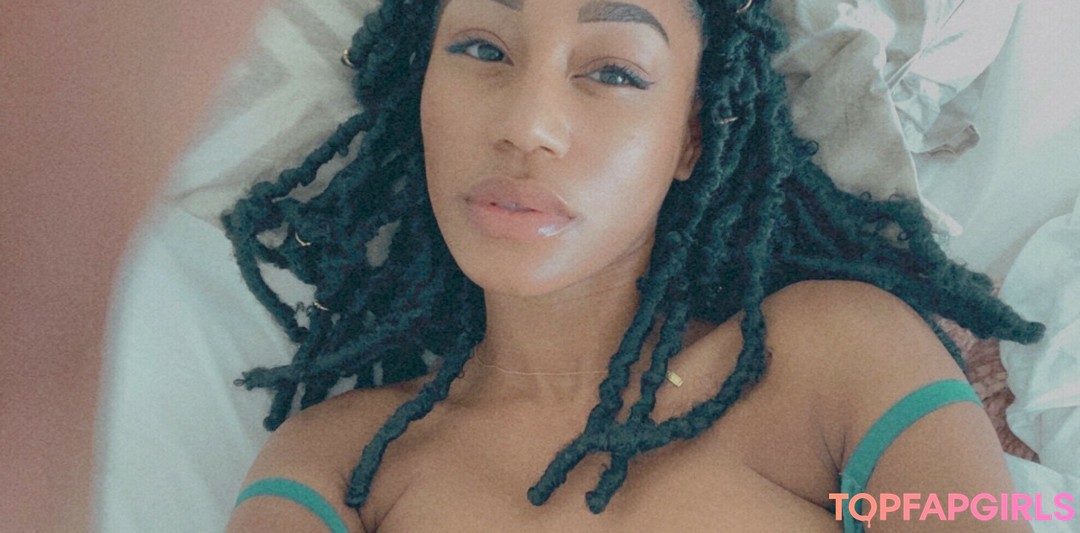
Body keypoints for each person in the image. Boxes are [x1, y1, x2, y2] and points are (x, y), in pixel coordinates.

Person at [224, 0, 1043, 530]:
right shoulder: (335, 463)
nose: (528, 125)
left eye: (613, 71)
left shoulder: (841, 357)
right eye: (482, 49)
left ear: (692, 137)